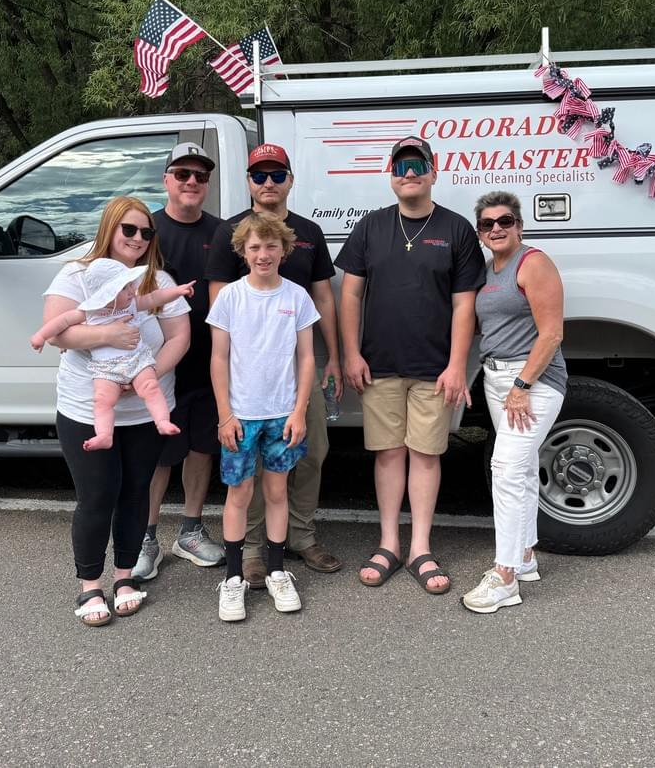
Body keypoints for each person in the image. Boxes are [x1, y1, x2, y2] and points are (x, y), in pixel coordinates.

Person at [336, 136, 485, 595]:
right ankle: (389, 544)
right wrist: (351, 354)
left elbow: (465, 306)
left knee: (425, 455)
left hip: (435, 369)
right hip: (378, 365)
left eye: (418, 164)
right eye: (401, 166)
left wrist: (457, 364)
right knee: (387, 454)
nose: (409, 173)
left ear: (434, 172)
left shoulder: (457, 230)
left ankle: (420, 546)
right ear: (391, 174)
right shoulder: (370, 228)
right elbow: (350, 295)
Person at [41, 196, 191, 626]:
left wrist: (143, 375)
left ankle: (125, 578)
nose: (139, 239)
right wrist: (108, 333)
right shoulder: (78, 275)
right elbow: (59, 333)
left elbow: (179, 337)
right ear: (110, 228)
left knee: (135, 493)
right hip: (86, 409)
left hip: (144, 409)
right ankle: (90, 585)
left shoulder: (155, 279)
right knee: (97, 495)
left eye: (146, 232)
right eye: (129, 229)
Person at [206, 142, 343, 589]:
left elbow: (324, 296)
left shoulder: (308, 232)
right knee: (252, 472)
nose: (268, 183)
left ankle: (300, 536)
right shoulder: (231, 233)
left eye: (277, 175)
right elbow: (221, 313)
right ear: (248, 181)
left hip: (296, 373)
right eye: (259, 175)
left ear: (289, 179)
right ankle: (251, 551)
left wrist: (334, 358)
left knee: (313, 451)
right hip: (249, 378)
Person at [208, 213, 320, 621]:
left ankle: (276, 570)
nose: (263, 254)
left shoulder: (296, 298)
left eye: (271, 246)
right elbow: (218, 359)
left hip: (282, 416)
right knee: (239, 494)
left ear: (284, 250)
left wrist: (299, 410)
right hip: (241, 416)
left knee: (277, 493)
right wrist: (225, 415)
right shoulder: (230, 298)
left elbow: (306, 358)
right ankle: (234, 578)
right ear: (242, 251)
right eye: (254, 247)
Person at [460, 191, 568, 614]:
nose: (497, 229)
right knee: (520, 471)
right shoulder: (489, 271)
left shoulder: (533, 262)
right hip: (498, 377)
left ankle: (504, 577)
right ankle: (524, 556)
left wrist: (522, 385)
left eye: (505, 221)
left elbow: (552, 333)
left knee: (504, 469)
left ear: (519, 226)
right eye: (487, 224)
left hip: (533, 381)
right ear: (481, 233)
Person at [134, 142, 226, 580]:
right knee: (158, 454)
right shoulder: (144, 231)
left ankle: (190, 531)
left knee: (201, 448)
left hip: (210, 362)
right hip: (159, 364)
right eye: (182, 173)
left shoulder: (223, 232)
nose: (192, 181)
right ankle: (145, 537)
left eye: (200, 176)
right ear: (166, 180)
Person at [30, 259, 194, 447]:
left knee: (150, 387)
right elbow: (61, 322)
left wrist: (177, 291)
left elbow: (154, 298)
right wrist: (40, 336)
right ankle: (104, 435)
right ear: (108, 294)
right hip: (106, 368)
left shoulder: (132, 304)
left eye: (131, 285)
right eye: (125, 288)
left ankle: (162, 421)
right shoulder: (89, 312)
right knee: (102, 400)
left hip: (137, 360)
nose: (132, 290)